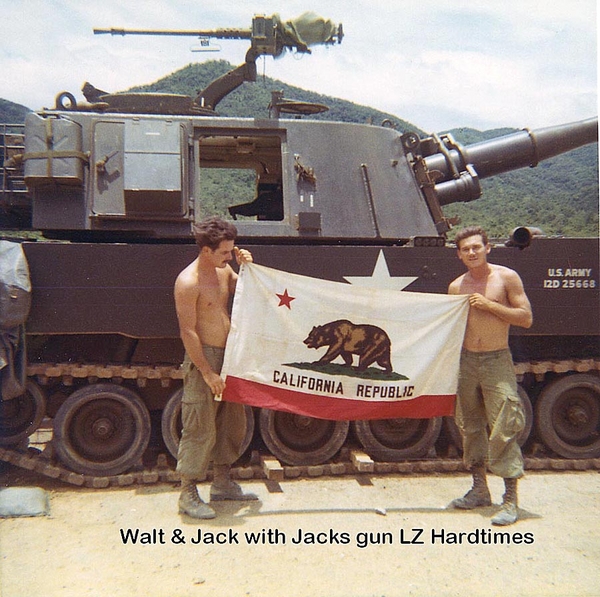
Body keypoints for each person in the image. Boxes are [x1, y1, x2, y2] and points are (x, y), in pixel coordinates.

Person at [448, 226, 533, 525]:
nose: (471, 252)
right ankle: (479, 490)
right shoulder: (456, 287)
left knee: (504, 426)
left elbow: (526, 318)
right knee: (470, 426)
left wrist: (490, 306)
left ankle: (510, 500)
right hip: (467, 361)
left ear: (487, 248)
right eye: (465, 249)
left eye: (476, 247)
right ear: (459, 255)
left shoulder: (506, 278)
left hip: (497, 360)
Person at [174, 216, 258, 519]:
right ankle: (187, 493)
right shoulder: (188, 282)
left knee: (230, 421)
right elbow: (188, 331)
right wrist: (207, 372)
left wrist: (245, 264)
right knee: (200, 424)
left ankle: (222, 482)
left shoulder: (224, 271)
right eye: (225, 252)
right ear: (206, 250)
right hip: (205, 358)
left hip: (230, 354)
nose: (229, 256)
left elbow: (246, 287)